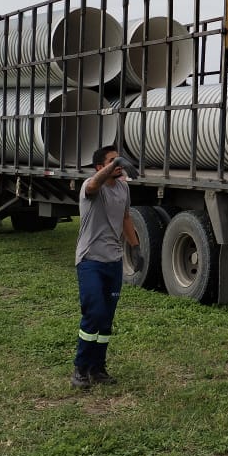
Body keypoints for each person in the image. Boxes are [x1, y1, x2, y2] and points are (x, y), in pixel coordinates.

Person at [72, 144, 139, 389]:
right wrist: (113, 166)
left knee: (106, 319)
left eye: (119, 161)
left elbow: (126, 218)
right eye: (112, 161)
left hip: (113, 261)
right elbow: (93, 185)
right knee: (95, 313)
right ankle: (80, 369)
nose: (118, 165)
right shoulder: (90, 186)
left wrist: (135, 247)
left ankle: (98, 368)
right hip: (90, 261)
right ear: (100, 167)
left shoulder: (123, 188)